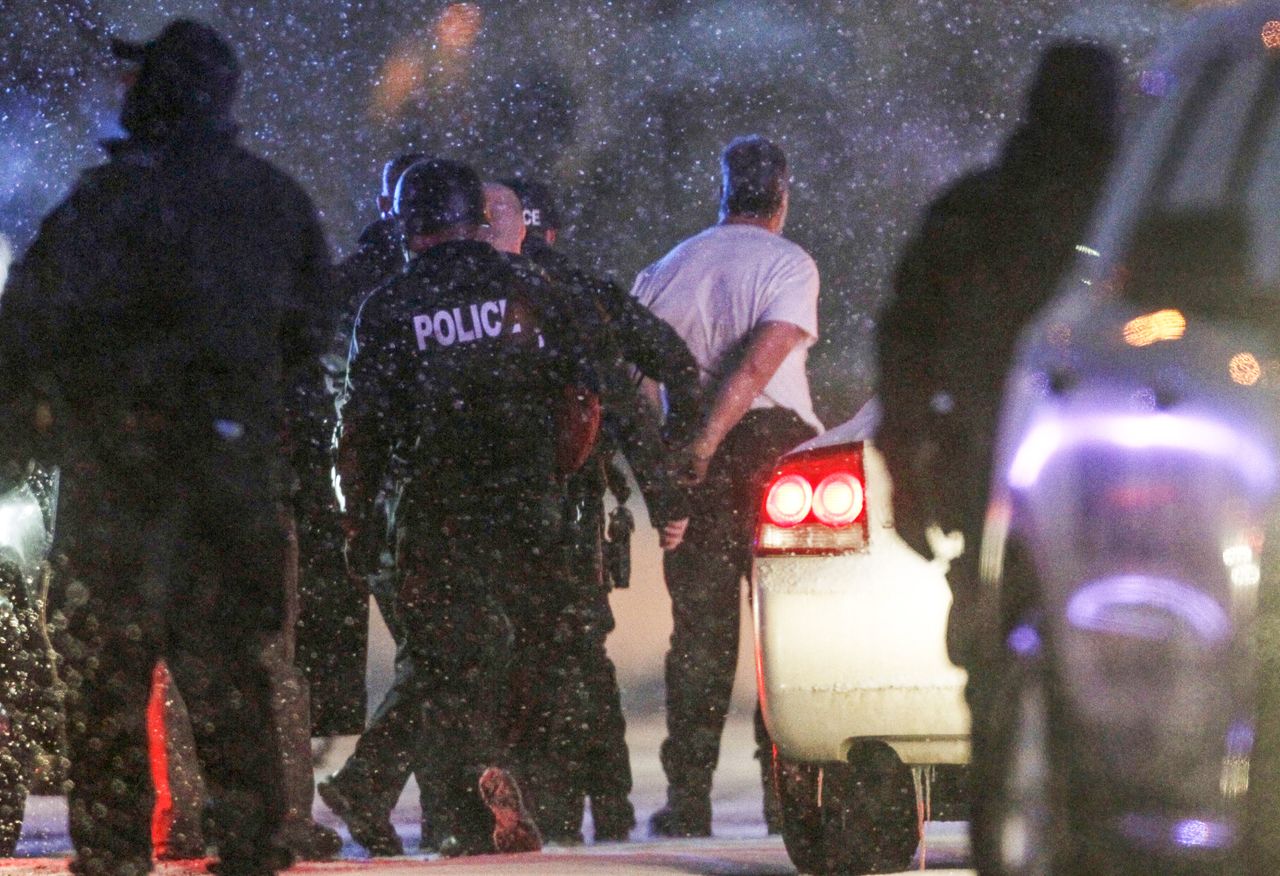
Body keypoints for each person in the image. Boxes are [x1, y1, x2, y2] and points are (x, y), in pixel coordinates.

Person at [0, 18, 336, 876]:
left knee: (105, 691)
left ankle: (114, 853)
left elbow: (24, 345)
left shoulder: (97, 208)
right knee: (231, 683)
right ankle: (253, 845)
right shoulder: (273, 201)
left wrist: (27, 447)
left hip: (115, 491)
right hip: (230, 489)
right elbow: (310, 337)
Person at [873, 41, 1120, 873]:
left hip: (989, 466)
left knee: (996, 674)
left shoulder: (975, 212)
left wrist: (907, 460)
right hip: (1119, 474)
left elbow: (905, 348)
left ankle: (1007, 816)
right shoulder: (1130, 210)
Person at [326, 158, 590, 857]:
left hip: (434, 510)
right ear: (479, 219)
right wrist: (557, 474)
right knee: (505, 653)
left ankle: (428, 800)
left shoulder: (387, 306)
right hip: (526, 508)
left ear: (407, 227)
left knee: (452, 653)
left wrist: (358, 519)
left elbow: (360, 433)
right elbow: (580, 404)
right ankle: (476, 799)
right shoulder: (533, 289)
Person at [631, 135, 823, 838]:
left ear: (722, 191)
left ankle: (688, 797)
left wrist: (678, 461)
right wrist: (714, 444)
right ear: (781, 194)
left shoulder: (664, 269)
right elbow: (757, 367)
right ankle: (786, 791)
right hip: (776, 455)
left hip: (693, 458)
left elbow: (641, 383)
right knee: (789, 632)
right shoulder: (789, 263)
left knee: (700, 636)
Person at [499, 176, 701, 843]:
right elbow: (666, 365)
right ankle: (603, 807)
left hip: (483, 512)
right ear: (549, 231)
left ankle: (537, 804)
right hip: (575, 504)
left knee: (515, 657)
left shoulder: (461, 290)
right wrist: (669, 480)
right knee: (581, 654)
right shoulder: (582, 294)